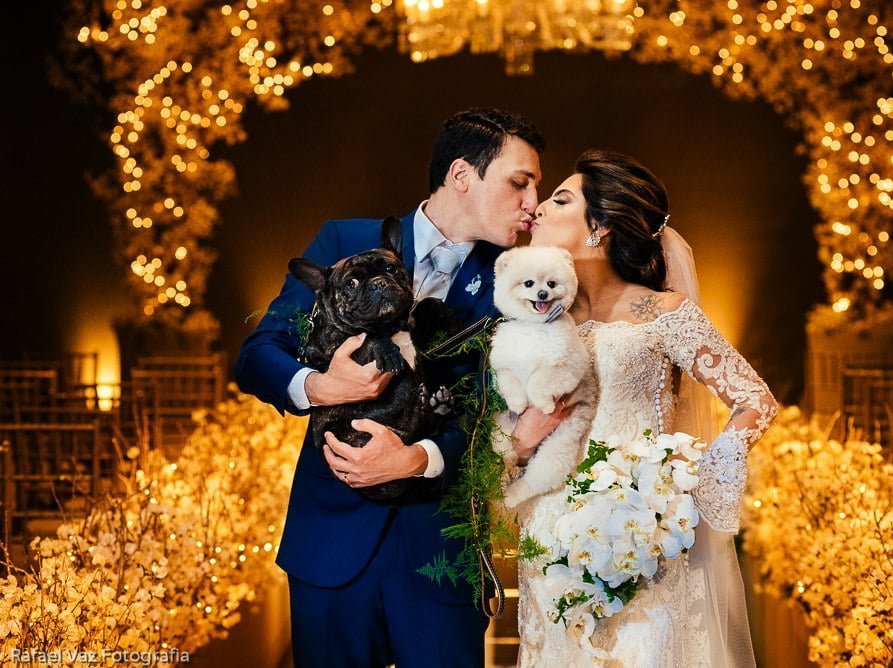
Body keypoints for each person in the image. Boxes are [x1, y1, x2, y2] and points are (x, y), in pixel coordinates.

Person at [235, 108, 564, 668]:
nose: (533, 203)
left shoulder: (519, 281)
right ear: (462, 175)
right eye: (519, 183)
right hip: (331, 544)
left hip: (441, 549)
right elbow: (257, 355)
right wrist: (319, 386)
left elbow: (496, 413)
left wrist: (419, 458)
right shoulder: (344, 240)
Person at [509, 149, 779, 666]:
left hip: (638, 537)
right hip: (548, 539)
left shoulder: (662, 311)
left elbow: (755, 401)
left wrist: (689, 483)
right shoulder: (539, 317)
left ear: (600, 227)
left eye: (560, 200)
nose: (538, 208)